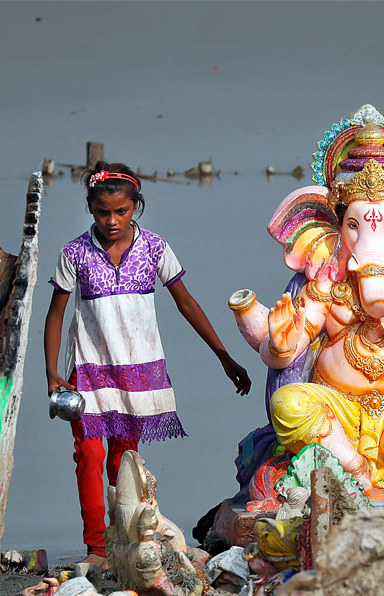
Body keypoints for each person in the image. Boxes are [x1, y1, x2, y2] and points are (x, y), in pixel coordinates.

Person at [44, 162, 250, 566]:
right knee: (88, 454)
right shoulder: (75, 253)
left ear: (136, 206)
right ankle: (96, 548)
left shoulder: (155, 248)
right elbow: (55, 314)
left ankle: (123, 539)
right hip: (87, 368)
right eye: (103, 212)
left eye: (121, 211)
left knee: (124, 459)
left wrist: (223, 356)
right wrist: (51, 373)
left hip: (136, 370)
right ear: (90, 208)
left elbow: (185, 301)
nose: (112, 220)